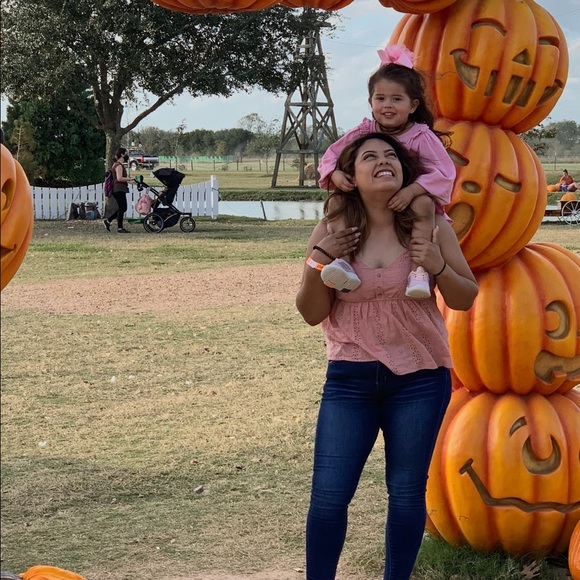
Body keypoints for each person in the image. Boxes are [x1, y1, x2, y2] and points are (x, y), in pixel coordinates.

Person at [296, 133, 478, 580]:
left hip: (420, 380)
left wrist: (436, 265)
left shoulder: (431, 226)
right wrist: (319, 261)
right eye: (369, 157)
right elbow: (311, 312)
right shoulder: (334, 228)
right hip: (349, 381)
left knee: (406, 492)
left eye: (391, 155)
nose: (383, 161)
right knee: (329, 496)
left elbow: (465, 297)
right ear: (350, 177)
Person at [317, 44, 455, 299]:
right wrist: (335, 174)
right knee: (337, 202)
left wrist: (412, 190)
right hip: (368, 202)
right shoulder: (364, 132)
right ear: (371, 102)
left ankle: (418, 272)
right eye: (380, 99)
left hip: (410, 200)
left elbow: (444, 172)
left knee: (424, 205)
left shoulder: (421, 136)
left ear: (413, 105)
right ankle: (343, 262)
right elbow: (330, 155)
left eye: (396, 99)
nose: (387, 105)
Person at [104, 147, 132, 233]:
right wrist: (130, 179)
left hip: (117, 189)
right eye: (126, 153)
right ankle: (119, 228)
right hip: (119, 189)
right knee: (123, 208)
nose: (127, 155)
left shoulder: (115, 164)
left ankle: (108, 221)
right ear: (122, 154)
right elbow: (119, 178)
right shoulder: (119, 165)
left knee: (122, 208)